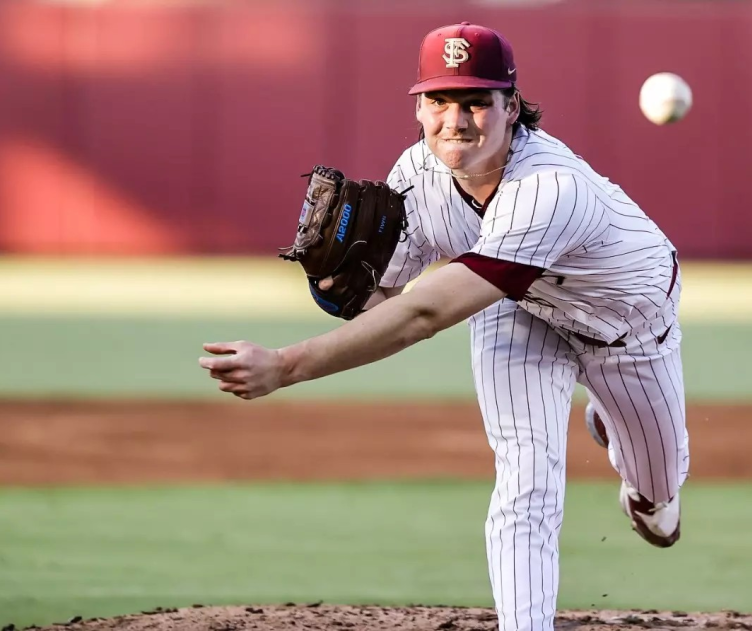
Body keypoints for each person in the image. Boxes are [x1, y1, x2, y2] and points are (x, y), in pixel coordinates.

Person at [199, 22, 690, 631]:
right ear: (419, 107)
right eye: (439, 100)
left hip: (628, 328)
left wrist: (285, 365)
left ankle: (630, 457)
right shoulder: (416, 176)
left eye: (476, 102)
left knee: (659, 492)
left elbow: (425, 314)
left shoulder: (549, 188)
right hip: (518, 311)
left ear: (512, 109)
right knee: (525, 477)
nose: (454, 120)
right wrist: (334, 290)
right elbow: (387, 300)